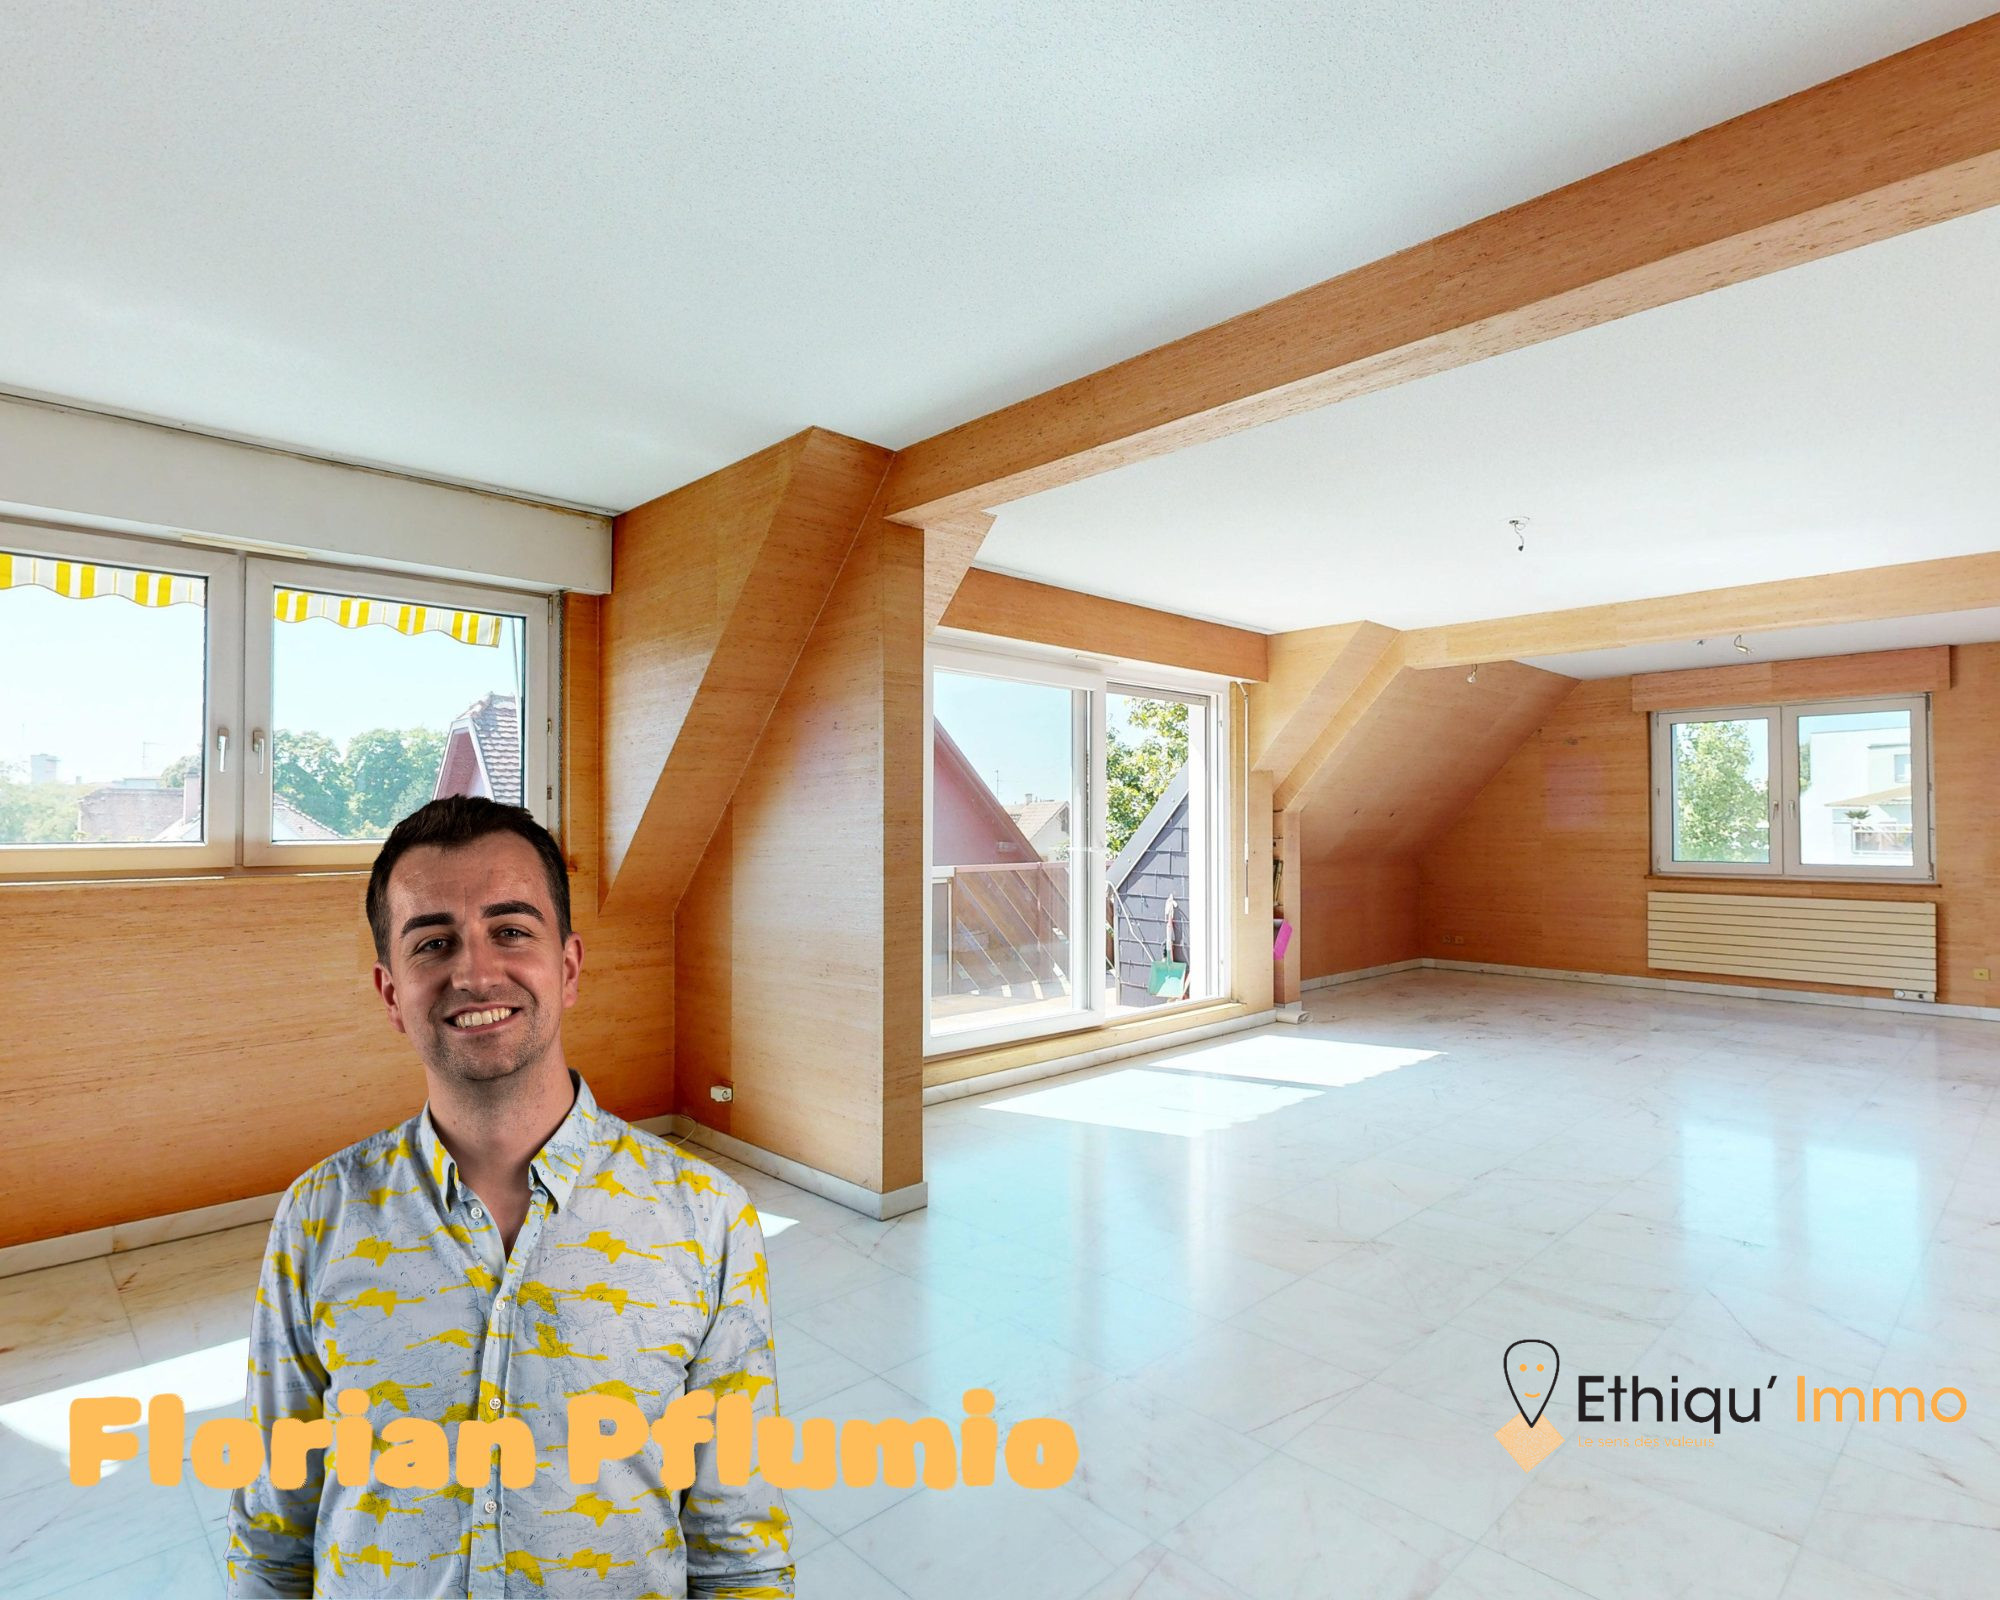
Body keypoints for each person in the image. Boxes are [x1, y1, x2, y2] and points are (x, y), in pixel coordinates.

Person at [226, 796, 793, 1598]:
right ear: (391, 993)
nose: (476, 973)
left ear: (569, 967)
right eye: (434, 942)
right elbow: (272, 1531)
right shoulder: (317, 1216)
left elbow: (739, 1549)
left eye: (512, 931)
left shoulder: (708, 1218)